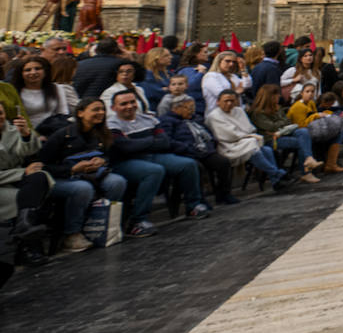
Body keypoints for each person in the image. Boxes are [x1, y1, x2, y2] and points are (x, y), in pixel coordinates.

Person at [32, 97, 128, 252]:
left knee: (117, 182)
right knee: (82, 188)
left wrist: (101, 161)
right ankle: (72, 234)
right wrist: (72, 169)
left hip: (91, 174)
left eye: (102, 109)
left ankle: (101, 224)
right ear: (81, 113)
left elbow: (108, 156)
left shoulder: (101, 133)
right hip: (60, 178)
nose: (101, 113)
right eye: (95, 109)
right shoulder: (63, 135)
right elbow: (42, 165)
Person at [107, 88, 211, 229]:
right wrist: (151, 140)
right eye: (124, 104)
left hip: (154, 156)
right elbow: (125, 148)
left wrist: (137, 142)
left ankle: (193, 206)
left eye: (132, 102)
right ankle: (138, 220)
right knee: (154, 171)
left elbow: (164, 142)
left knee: (188, 164)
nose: (130, 106)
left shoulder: (149, 119)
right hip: (126, 162)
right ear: (113, 107)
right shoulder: (111, 124)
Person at [204, 89, 294, 191]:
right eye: (226, 101)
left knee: (266, 150)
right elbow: (229, 135)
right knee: (253, 147)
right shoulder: (214, 116)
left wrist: (246, 135)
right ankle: (277, 174)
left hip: (247, 140)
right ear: (218, 102)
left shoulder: (238, 111)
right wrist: (246, 135)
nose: (229, 103)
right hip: (228, 146)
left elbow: (250, 128)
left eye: (232, 101)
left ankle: (276, 181)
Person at [159, 95, 237, 206]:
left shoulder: (196, 118)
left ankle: (223, 195)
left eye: (193, 107)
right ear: (176, 108)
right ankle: (199, 200)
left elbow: (209, 134)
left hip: (204, 151)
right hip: (185, 152)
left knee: (223, 162)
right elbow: (168, 140)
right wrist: (186, 148)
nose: (192, 110)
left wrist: (211, 145)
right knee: (197, 167)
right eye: (189, 108)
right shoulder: (167, 121)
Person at [1, 107, 50, 273]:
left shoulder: (11, 129)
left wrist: (26, 135)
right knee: (20, 197)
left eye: (0, 113)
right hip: (4, 182)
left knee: (39, 178)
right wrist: (22, 172)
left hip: (15, 178)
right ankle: (28, 247)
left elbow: (30, 150)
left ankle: (25, 224)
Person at [249, 84, 322, 183]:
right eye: (276, 96)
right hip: (270, 140)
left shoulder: (277, 107)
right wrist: (279, 125)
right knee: (300, 142)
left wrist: (278, 125)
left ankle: (308, 159)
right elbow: (270, 126)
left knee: (303, 132)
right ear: (268, 97)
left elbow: (287, 121)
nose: (278, 98)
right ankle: (306, 172)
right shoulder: (257, 112)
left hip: (282, 133)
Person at [287, 82, 343, 173]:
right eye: (307, 91)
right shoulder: (298, 107)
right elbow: (301, 125)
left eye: (312, 91)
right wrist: (316, 116)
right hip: (303, 132)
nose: (310, 94)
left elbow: (315, 117)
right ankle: (328, 164)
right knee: (335, 131)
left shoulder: (311, 103)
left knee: (339, 130)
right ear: (301, 93)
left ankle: (331, 164)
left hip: (314, 129)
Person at [6, 55, 75, 130]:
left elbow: (63, 113)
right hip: (26, 132)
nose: (33, 72)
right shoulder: (14, 91)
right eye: (28, 70)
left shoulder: (57, 88)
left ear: (46, 71)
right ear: (21, 73)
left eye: (38, 68)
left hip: (52, 131)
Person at [176, 42, 212, 116]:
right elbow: (191, 85)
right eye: (205, 52)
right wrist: (201, 73)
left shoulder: (207, 68)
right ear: (196, 54)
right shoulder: (186, 70)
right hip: (195, 107)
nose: (207, 54)